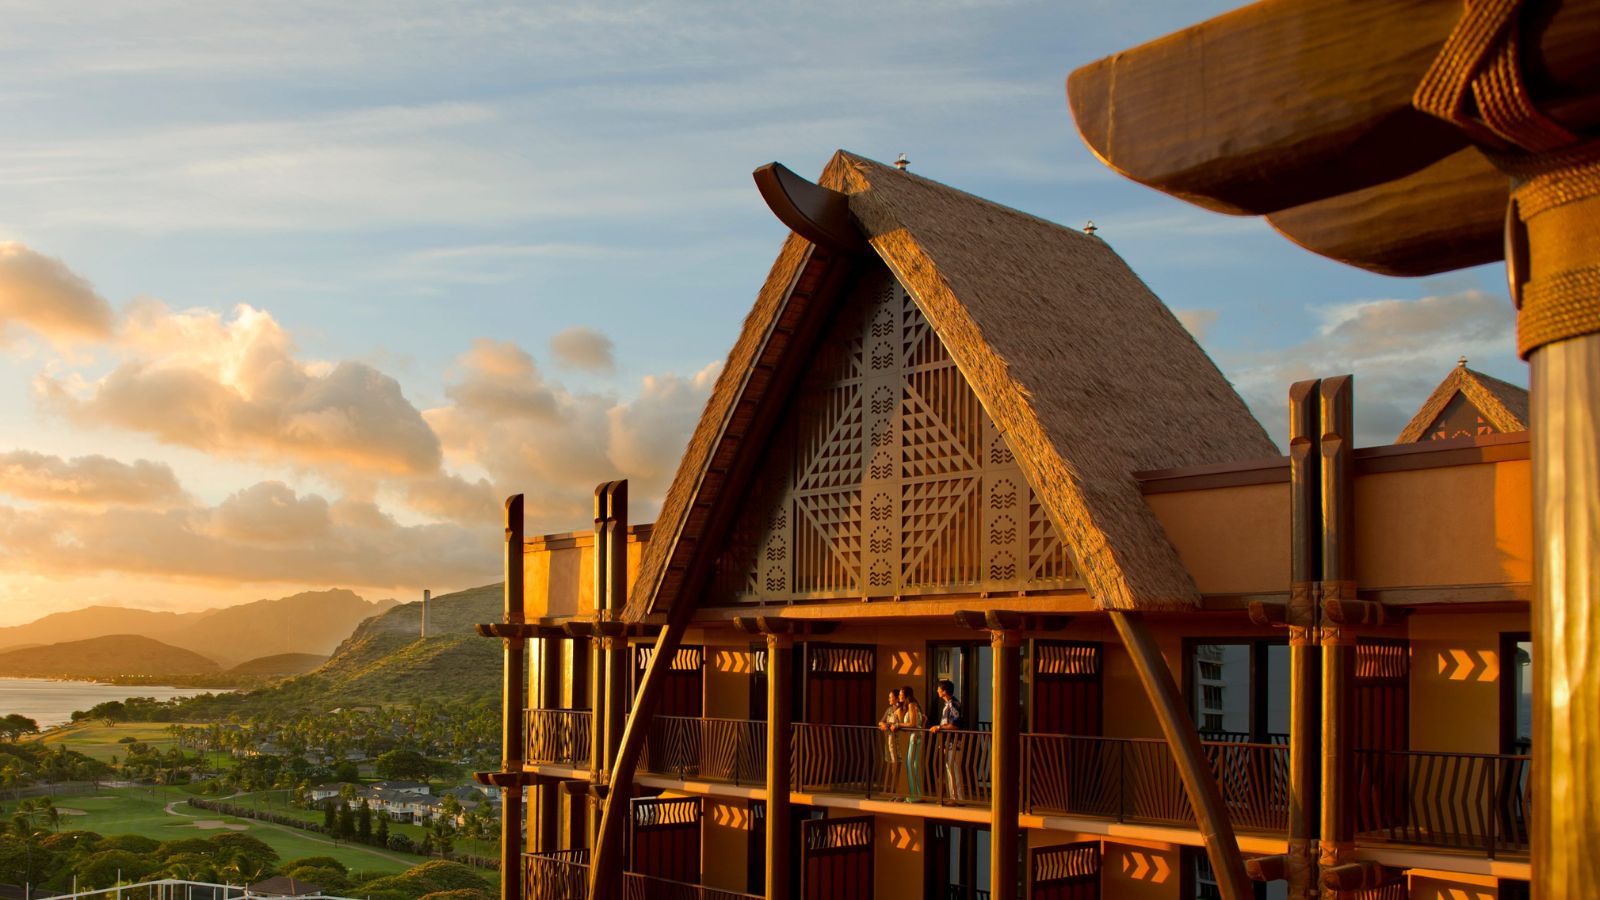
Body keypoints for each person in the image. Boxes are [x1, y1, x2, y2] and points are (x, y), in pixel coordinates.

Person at [929, 679, 965, 803]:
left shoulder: (953, 705)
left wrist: (939, 728)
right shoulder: (948, 705)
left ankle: (957, 798)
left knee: (953, 768)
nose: (937, 691)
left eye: (939, 689)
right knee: (950, 768)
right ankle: (953, 797)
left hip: (953, 742)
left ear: (944, 691)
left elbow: (955, 724)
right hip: (948, 743)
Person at [892, 686, 927, 802]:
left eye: (902, 694)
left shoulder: (912, 705)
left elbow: (912, 723)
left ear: (906, 695)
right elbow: (923, 720)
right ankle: (918, 794)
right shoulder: (913, 705)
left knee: (909, 764)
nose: (900, 696)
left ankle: (914, 795)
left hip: (915, 737)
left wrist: (898, 725)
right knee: (915, 765)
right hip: (917, 736)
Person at [877, 689, 902, 793]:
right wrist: (884, 725)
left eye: (891, 697)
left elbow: (900, 724)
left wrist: (891, 726)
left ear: (896, 698)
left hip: (898, 743)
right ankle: (894, 789)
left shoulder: (901, 709)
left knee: (898, 766)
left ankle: (898, 790)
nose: (889, 699)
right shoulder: (889, 710)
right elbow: (880, 722)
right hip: (889, 742)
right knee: (892, 766)